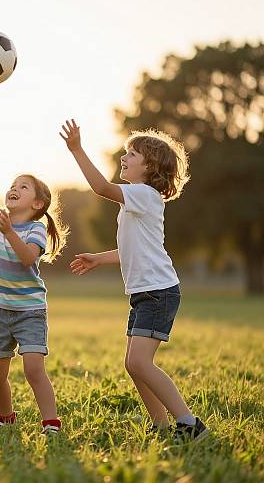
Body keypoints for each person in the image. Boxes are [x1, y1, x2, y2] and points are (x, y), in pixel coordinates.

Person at [62, 119, 208, 442]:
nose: (123, 158)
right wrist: (98, 259)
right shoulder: (137, 200)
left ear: (150, 165)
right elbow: (130, 248)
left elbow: (101, 188)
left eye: (131, 154)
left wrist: (77, 149)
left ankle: (189, 424)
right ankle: (161, 427)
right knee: (134, 364)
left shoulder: (144, 194)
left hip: (158, 292)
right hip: (146, 293)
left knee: (140, 362)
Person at [0, 129, 68, 434]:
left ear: (38, 204)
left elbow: (26, 259)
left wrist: (9, 232)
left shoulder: (34, 229)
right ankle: (6, 417)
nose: (14, 189)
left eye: (23, 187)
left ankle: (50, 422)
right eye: (12, 185)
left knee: (33, 368)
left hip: (29, 311)